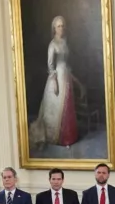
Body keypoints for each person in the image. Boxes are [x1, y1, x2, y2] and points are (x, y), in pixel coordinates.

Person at [28, 15, 78, 148]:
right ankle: (56, 138)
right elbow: (50, 65)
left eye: (62, 26)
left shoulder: (65, 42)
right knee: (57, 109)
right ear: (54, 28)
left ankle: (68, 137)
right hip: (57, 78)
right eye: (58, 26)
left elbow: (67, 62)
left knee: (67, 107)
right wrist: (54, 81)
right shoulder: (53, 44)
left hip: (66, 76)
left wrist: (72, 77)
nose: (61, 28)